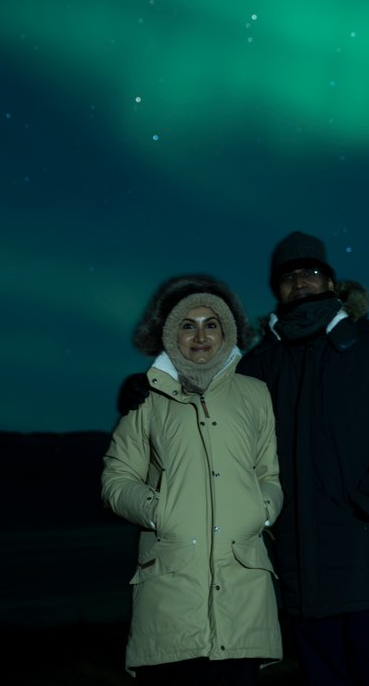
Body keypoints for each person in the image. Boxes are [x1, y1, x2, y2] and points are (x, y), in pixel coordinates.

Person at [239, 231, 369, 685]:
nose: (300, 282)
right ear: (276, 289)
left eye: (311, 272)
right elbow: (230, 444)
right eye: (288, 276)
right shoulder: (258, 365)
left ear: (330, 281)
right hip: (301, 575)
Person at [102, 274, 283, 683]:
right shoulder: (146, 399)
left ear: (227, 331)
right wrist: (159, 510)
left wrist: (262, 510)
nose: (200, 335)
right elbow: (116, 479)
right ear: (171, 334)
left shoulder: (255, 394)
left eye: (211, 324)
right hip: (170, 596)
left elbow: (268, 473)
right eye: (187, 324)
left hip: (244, 595)